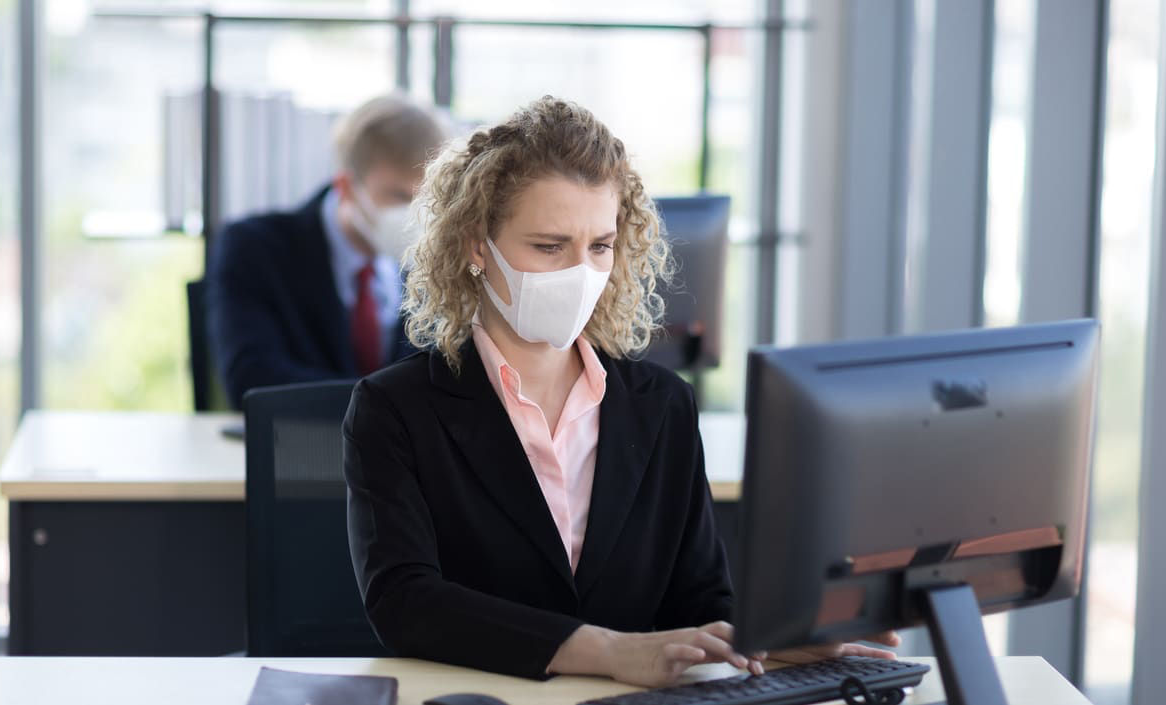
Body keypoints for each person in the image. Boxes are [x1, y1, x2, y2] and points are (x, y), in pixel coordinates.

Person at [342, 97, 899, 687]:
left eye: (600, 246)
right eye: (549, 246)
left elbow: (699, 598)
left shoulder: (662, 405)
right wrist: (609, 650)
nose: (580, 272)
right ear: (478, 246)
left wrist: (768, 638)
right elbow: (404, 602)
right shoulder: (395, 408)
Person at [207, 93, 447, 408]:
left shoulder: (437, 265)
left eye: (426, 198)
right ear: (346, 187)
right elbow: (251, 378)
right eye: (399, 196)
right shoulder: (254, 249)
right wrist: (388, 406)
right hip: (299, 438)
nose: (414, 214)